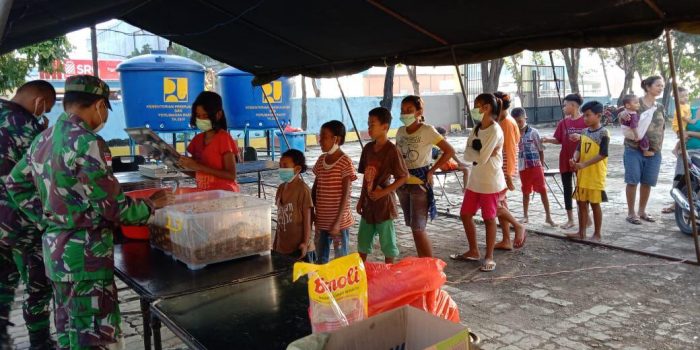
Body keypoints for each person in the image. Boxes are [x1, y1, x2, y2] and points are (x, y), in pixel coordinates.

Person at [6, 75, 174, 349]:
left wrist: (46, 219)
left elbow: (15, 183)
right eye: (106, 108)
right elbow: (114, 208)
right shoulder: (87, 143)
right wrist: (153, 203)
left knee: (70, 331)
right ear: (98, 105)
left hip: (57, 256)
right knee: (95, 337)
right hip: (86, 258)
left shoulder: (43, 139)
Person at [0, 80, 55, 349]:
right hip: (23, 224)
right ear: (39, 102)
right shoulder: (27, 126)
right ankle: (40, 341)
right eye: (46, 109)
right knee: (38, 286)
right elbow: (43, 175)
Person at [450, 93, 506, 272]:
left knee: (489, 218)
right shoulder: (477, 129)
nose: (474, 109)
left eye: (477, 105)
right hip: (475, 181)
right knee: (465, 214)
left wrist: (479, 152)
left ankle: (489, 256)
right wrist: (479, 152)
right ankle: (473, 250)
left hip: (490, 182)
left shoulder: (495, 130)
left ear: (487, 108)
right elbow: (468, 155)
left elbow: (480, 158)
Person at [396, 95, 455, 257]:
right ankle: (424, 263)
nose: (405, 113)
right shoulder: (400, 131)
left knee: (419, 228)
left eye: (409, 110)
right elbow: (397, 156)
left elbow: (449, 151)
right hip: (402, 183)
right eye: (402, 110)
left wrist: (431, 170)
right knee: (413, 227)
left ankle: (429, 266)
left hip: (420, 183)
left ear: (419, 112)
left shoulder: (427, 130)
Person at [357, 107, 408, 263]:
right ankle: (360, 273)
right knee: (363, 242)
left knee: (387, 243)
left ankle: (389, 272)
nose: (369, 128)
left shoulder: (392, 150)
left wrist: (383, 192)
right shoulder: (367, 148)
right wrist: (361, 199)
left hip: (384, 205)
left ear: (384, 127)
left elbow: (403, 177)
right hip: (368, 203)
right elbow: (365, 178)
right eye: (368, 124)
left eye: (373, 124)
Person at [620, 76, 666, 225]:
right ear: (647, 87)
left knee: (647, 182)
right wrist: (621, 114)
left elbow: (662, 127)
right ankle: (631, 213)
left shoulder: (660, 106)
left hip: (654, 151)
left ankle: (642, 211)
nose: (661, 88)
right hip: (634, 149)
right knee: (632, 181)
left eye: (662, 86)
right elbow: (622, 113)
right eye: (658, 85)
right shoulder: (635, 102)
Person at [312, 120, 357, 264]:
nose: (320, 140)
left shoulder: (345, 162)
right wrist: (312, 212)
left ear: (336, 139)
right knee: (321, 257)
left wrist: (337, 222)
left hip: (339, 223)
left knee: (341, 258)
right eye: (320, 136)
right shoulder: (320, 160)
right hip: (322, 221)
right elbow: (315, 188)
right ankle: (323, 284)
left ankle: (340, 286)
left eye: (324, 136)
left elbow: (346, 194)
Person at [542, 93, 588, 229]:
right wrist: (547, 139)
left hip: (582, 160)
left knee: (582, 189)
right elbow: (559, 139)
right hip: (565, 160)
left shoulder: (586, 121)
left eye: (565, 105)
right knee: (567, 189)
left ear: (573, 105)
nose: (563, 108)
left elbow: (594, 138)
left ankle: (585, 217)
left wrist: (580, 137)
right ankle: (570, 219)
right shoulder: (563, 122)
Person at [566, 101, 610, 242]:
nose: (585, 118)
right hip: (582, 175)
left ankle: (597, 234)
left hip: (595, 175)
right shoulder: (584, 132)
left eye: (588, 115)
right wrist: (574, 159)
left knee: (595, 204)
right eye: (584, 115)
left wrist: (584, 164)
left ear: (598, 115)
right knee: (581, 203)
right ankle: (581, 231)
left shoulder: (604, 132)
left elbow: (603, 154)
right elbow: (578, 149)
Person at [179, 91, 239, 192]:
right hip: (204, 194)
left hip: (225, 196)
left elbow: (231, 175)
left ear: (218, 114)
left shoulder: (224, 138)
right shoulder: (197, 140)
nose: (201, 119)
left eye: (205, 116)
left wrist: (197, 166)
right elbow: (196, 172)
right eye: (198, 115)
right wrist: (180, 165)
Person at [493, 91, 526, 250]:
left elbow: (511, 150)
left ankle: (517, 226)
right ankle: (506, 239)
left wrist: (508, 175)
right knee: (500, 204)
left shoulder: (506, 122)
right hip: (500, 169)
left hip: (503, 170)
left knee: (493, 204)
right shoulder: (502, 120)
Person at [512, 108, 555, 227]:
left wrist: (541, 165)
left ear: (525, 119)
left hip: (535, 166)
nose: (517, 124)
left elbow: (541, 150)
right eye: (515, 122)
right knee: (525, 191)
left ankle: (548, 217)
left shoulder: (534, 132)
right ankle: (525, 216)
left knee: (542, 191)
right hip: (522, 167)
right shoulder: (513, 134)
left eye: (519, 121)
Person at [273, 149, 315, 262]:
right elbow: (280, 218)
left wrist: (305, 244)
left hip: (299, 250)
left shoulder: (303, 190)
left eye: (285, 165)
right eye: (280, 165)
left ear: (297, 169)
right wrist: (276, 242)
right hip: (282, 247)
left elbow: (308, 221)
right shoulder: (281, 188)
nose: (281, 169)